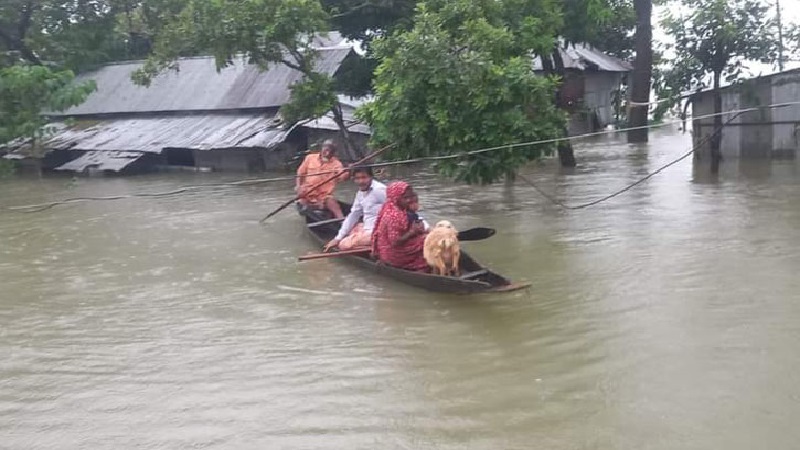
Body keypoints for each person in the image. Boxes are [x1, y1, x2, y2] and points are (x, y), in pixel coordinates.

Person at [371, 181, 430, 272]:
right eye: (406, 197)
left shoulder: (403, 209)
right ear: (396, 198)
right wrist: (412, 232)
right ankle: (420, 267)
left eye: (412, 196)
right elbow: (395, 242)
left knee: (430, 237)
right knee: (428, 242)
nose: (410, 200)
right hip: (393, 252)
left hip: (402, 245)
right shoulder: (393, 215)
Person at [324, 166, 386, 251]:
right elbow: (353, 215)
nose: (361, 181)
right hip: (367, 227)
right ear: (354, 179)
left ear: (371, 177)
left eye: (364, 177)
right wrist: (337, 238)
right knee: (350, 229)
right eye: (357, 178)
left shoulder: (379, 190)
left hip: (379, 231)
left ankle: (378, 247)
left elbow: (395, 208)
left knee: (343, 245)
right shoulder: (360, 193)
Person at [296, 140, 347, 218]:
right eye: (325, 148)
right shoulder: (310, 158)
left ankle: (342, 221)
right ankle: (315, 207)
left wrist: (347, 172)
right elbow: (300, 173)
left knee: (332, 203)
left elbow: (342, 177)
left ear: (333, 152)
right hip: (308, 192)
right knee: (301, 203)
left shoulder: (337, 164)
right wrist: (299, 187)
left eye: (329, 150)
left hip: (324, 195)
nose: (326, 152)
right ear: (322, 148)